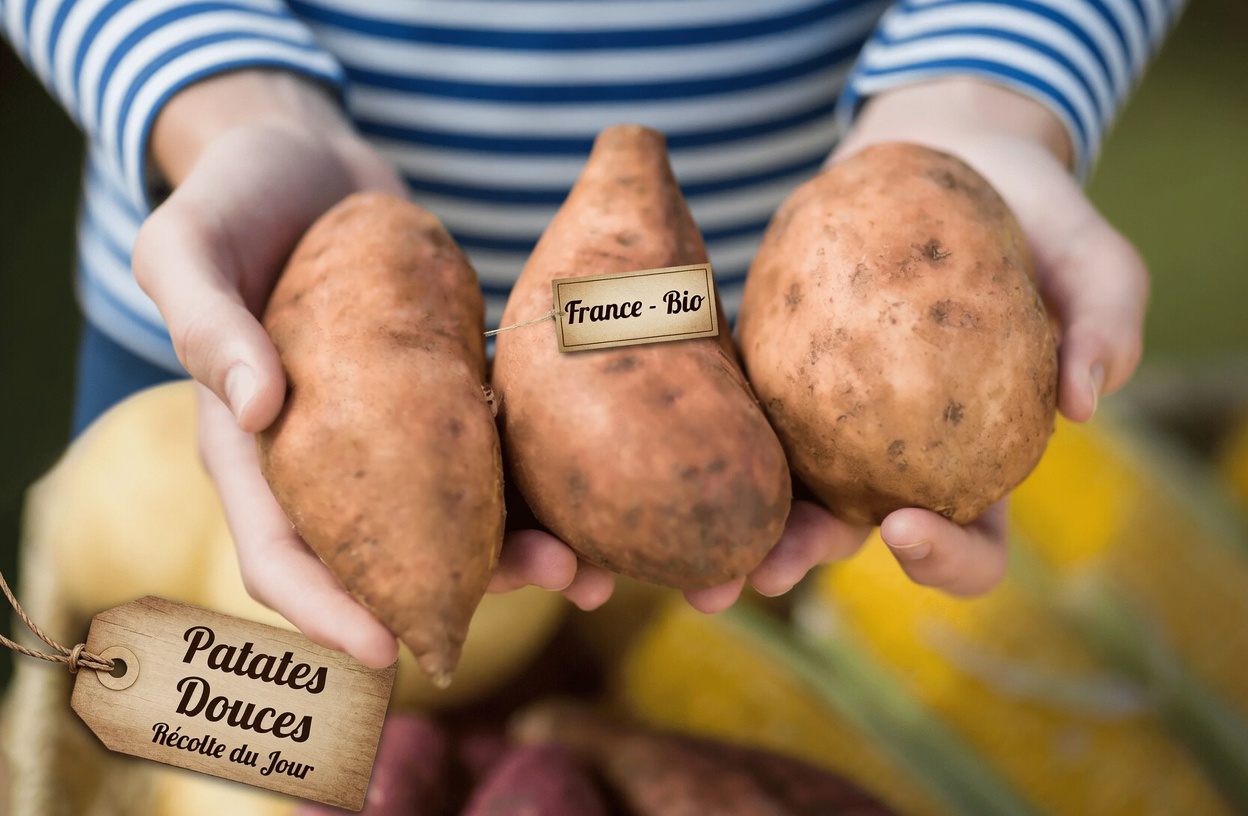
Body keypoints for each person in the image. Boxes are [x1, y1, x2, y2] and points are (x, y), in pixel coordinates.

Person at [1, 0, 1174, 671]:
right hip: (262, 325)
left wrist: (982, 96)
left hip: (780, 407)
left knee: (731, 718)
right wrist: (223, 103)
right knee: (202, 741)